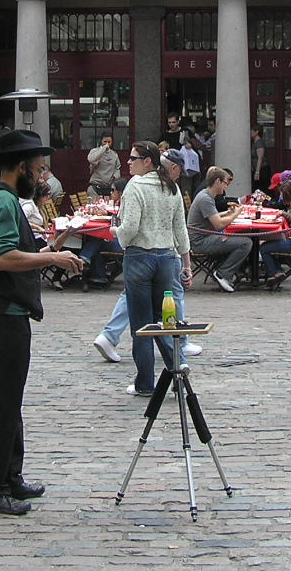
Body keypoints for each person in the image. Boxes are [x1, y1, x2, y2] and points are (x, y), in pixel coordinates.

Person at [0, 129, 83, 516]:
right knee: (1, 404)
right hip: (0, 315)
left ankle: (8, 476)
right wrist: (52, 260)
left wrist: (50, 248)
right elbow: (1, 258)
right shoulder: (1, 201)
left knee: (8, 400)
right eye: (38, 168)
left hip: (4, 312)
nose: (42, 175)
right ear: (20, 167)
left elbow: (14, 253)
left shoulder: (3, 198)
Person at [115, 140, 191, 397]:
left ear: (148, 161)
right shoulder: (171, 186)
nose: (128, 162)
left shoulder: (135, 186)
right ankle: (177, 371)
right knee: (165, 321)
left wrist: (117, 233)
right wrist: (187, 262)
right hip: (167, 257)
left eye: (133, 158)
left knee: (142, 324)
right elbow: (180, 228)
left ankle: (145, 383)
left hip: (139, 256)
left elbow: (130, 227)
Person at [187, 167, 250, 293]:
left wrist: (228, 212)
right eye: (225, 183)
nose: (226, 187)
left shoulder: (206, 195)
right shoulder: (205, 199)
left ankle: (234, 271)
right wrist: (235, 214)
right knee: (246, 243)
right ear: (217, 182)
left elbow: (214, 216)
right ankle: (222, 274)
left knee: (241, 237)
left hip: (204, 236)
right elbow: (219, 225)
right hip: (199, 242)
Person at [257, 179, 291, 287]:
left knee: (265, 248)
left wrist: (285, 214)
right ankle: (277, 271)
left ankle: (275, 273)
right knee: (266, 245)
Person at [250, 124, 269, 193]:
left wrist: (257, 172)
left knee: (262, 188)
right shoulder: (254, 143)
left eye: (252, 131)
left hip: (262, 169)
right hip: (256, 169)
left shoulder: (259, 142)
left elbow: (260, 157)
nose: (250, 133)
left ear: (256, 132)